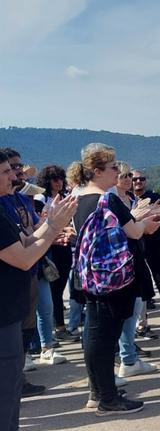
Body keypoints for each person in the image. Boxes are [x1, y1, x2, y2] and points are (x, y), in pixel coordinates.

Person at [70, 143, 160, 415]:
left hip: (89, 275)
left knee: (93, 334)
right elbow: (133, 232)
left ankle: (98, 391)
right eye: (113, 167)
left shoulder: (78, 198)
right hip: (112, 278)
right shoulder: (107, 199)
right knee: (105, 337)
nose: (117, 171)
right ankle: (108, 398)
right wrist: (147, 224)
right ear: (97, 171)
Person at [0, 150, 78, 430]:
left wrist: (49, 225)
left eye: (14, 169)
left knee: (10, 390)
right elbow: (23, 258)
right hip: (3, 316)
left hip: (10, 312)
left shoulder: (5, 205)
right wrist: (54, 225)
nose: (15, 175)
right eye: (7, 172)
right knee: (5, 392)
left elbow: (26, 240)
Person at [113, 162, 160, 378]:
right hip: (121, 260)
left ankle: (129, 353)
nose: (129, 180)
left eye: (129, 177)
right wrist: (138, 217)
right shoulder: (112, 200)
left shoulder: (131, 199)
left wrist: (154, 214)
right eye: (124, 176)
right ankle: (126, 355)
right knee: (124, 311)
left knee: (135, 307)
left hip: (135, 254)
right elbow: (122, 228)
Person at [35, 165, 80, 342]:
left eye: (61, 178)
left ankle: (58, 326)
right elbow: (40, 223)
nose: (59, 182)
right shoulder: (41, 198)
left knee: (60, 286)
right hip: (49, 246)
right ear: (48, 181)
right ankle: (59, 328)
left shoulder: (65, 197)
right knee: (53, 288)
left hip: (64, 245)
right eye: (55, 179)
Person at [131, 169, 160, 331]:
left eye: (141, 179)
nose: (138, 182)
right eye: (134, 179)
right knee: (139, 282)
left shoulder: (154, 197)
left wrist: (155, 214)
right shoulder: (127, 198)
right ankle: (142, 321)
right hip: (135, 244)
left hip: (153, 242)